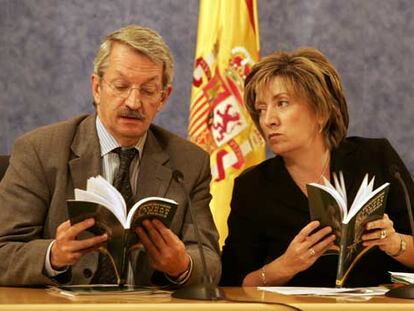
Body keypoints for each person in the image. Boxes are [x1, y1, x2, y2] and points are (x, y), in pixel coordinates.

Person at [0, 25, 221, 287]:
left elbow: (209, 261)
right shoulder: (39, 150)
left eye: (148, 91)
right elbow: (4, 250)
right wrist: (52, 256)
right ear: (97, 88)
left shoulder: (189, 162)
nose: (133, 102)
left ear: (163, 98)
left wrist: (182, 266)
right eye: (120, 86)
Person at [220, 48, 414, 287]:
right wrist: (284, 267)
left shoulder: (375, 158)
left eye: (282, 103)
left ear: (321, 112)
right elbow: (230, 285)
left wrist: (395, 244)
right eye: (261, 109)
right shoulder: (254, 186)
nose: (269, 119)